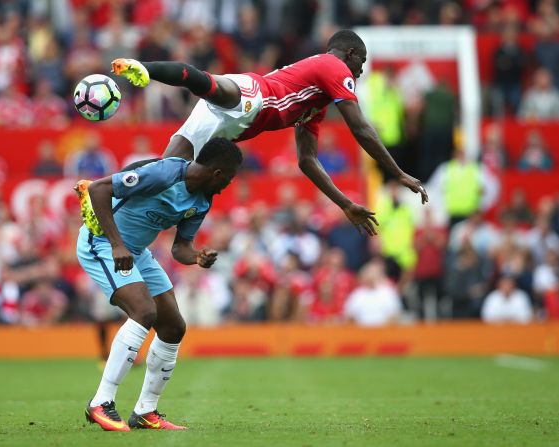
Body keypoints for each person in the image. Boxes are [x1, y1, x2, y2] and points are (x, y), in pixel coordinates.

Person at [110, 29, 428, 236]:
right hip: (256, 97)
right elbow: (359, 127)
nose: (360, 70)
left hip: (237, 125)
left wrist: (344, 204)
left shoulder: (314, 104)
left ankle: (103, 194)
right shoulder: (336, 68)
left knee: (163, 170)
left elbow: (307, 161)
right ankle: (144, 69)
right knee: (208, 84)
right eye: (362, 61)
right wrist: (397, 172)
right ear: (350, 54)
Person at [75, 138, 242, 431]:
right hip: (101, 243)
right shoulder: (164, 174)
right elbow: (99, 189)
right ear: (217, 173)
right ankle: (101, 402)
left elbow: (181, 248)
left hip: (136, 252)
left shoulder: (202, 199)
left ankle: (145, 411)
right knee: (143, 310)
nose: (227, 185)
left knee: (173, 326)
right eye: (228, 178)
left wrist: (197, 257)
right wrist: (116, 245)